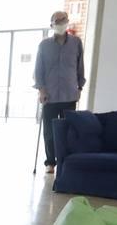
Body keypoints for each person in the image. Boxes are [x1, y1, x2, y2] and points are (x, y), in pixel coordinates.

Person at [33, 11, 86, 174]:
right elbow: (38, 69)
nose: (61, 22)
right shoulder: (44, 45)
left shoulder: (76, 43)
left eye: (63, 19)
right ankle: (51, 162)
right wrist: (41, 90)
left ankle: (65, 160)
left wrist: (79, 87)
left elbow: (80, 67)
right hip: (49, 95)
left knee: (68, 130)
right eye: (57, 20)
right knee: (49, 131)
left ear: (67, 21)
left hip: (69, 94)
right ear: (51, 24)